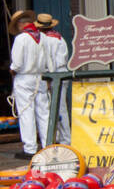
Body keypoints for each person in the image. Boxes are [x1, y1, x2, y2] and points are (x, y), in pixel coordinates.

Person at [8, 9, 48, 157]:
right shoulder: (42, 37)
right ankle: (47, 145)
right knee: (44, 113)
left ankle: (30, 148)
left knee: (26, 113)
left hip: (25, 78)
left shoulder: (21, 39)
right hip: (41, 77)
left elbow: (17, 64)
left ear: (20, 24)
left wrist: (12, 69)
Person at [37, 14, 71, 145]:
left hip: (56, 74)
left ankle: (65, 139)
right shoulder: (59, 37)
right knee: (59, 106)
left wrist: (49, 78)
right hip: (62, 71)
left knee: (59, 107)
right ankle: (62, 137)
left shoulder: (47, 39)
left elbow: (50, 61)